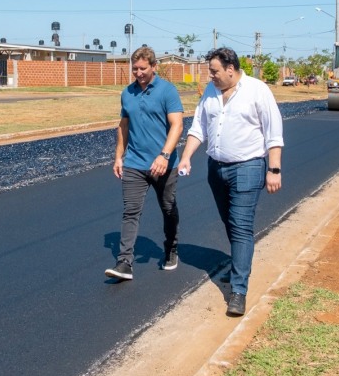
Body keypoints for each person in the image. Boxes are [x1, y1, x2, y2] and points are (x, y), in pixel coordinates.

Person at [177, 47, 283, 316]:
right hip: (217, 169)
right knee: (230, 222)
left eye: (214, 71)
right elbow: (198, 128)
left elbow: (274, 133)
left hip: (248, 167)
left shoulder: (257, 91)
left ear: (230, 70)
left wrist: (274, 169)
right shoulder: (211, 93)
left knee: (241, 225)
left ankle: (238, 291)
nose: (210, 75)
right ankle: (239, 266)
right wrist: (186, 156)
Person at [105, 47, 184, 281]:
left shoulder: (168, 91)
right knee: (130, 212)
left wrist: (164, 155)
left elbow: (177, 126)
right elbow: (123, 126)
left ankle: (171, 248)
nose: (138, 73)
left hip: (164, 165)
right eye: (135, 69)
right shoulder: (127, 93)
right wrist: (119, 156)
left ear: (153, 67)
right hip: (135, 163)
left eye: (143, 69)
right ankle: (124, 263)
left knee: (168, 208)